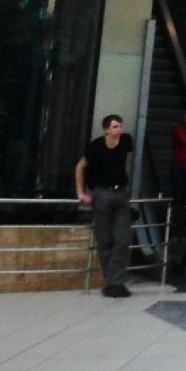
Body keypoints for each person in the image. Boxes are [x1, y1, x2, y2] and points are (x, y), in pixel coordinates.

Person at [75, 114, 136, 298]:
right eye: (115, 126)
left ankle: (114, 281)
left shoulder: (125, 141)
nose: (119, 130)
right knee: (105, 239)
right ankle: (113, 282)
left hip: (121, 193)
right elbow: (80, 166)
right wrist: (81, 192)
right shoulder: (95, 146)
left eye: (120, 126)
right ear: (107, 129)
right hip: (101, 193)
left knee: (122, 239)